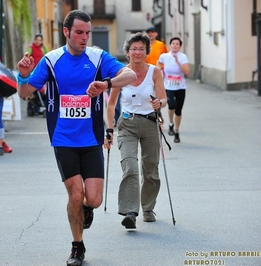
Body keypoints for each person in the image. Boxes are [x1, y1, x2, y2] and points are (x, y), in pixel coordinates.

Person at [17, 10, 136, 266]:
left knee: (92, 198)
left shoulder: (97, 57)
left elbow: (131, 76)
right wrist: (23, 75)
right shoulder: (51, 60)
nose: (84, 38)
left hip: (92, 138)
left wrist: (106, 84)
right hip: (63, 139)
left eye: (87, 33)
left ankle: (86, 209)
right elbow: (24, 93)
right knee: (74, 195)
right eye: (79, 32)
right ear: (66, 32)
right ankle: (77, 247)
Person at [104, 32, 167, 229]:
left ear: (147, 52)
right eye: (134, 49)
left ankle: (148, 208)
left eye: (141, 49)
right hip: (127, 125)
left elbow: (164, 99)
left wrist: (159, 103)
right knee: (129, 166)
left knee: (151, 170)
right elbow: (111, 104)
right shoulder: (121, 73)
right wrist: (109, 129)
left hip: (150, 123)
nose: (138, 52)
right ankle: (130, 211)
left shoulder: (155, 72)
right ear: (128, 52)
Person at [157, 37, 189, 143]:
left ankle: (176, 131)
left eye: (177, 44)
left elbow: (187, 72)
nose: (175, 45)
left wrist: (177, 61)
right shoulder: (164, 56)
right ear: (170, 45)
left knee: (178, 110)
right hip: (169, 86)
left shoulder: (183, 57)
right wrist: (160, 71)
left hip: (180, 87)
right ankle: (171, 122)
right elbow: (158, 62)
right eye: (173, 43)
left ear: (180, 46)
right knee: (171, 105)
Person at [145, 26, 169, 124]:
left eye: (152, 32)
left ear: (156, 34)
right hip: (146, 73)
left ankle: (158, 112)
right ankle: (155, 112)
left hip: (159, 73)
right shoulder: (144, 45)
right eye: (148, 32)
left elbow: (168, 56)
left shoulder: (161, 45)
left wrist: (165, 68)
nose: (150, 34)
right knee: (149, 93)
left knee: (158, 94)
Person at [26, 34, 49, 116]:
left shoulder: (43, 48)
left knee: (42, 91)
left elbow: (48, 55)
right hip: (33, 72)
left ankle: (40, 106)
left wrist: (44, 48)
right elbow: (27, 56)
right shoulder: (31, 47)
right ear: (34, 40)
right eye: (37, 40)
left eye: (40, 40)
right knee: (33, 91)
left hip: (42, 71)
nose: (38, 41)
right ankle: (31, 108)